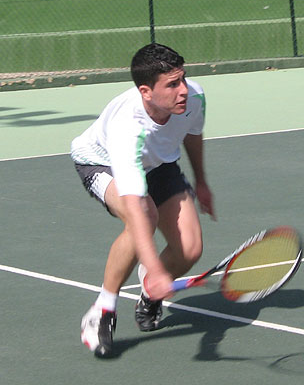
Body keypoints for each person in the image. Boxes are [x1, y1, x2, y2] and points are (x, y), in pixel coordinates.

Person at [71, 43, 215, 358]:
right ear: (146, 91)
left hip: (159, 165)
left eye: (183, 79)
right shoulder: (128, 128)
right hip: (102, 163)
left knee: (189, 249)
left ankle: (149, 293)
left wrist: (201, 181)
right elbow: (137, 213)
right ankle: (103, 310)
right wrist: (155, 267)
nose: (183, 90)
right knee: (146, 216)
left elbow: (192, 134)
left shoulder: (195, 97)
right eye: (172, 84)